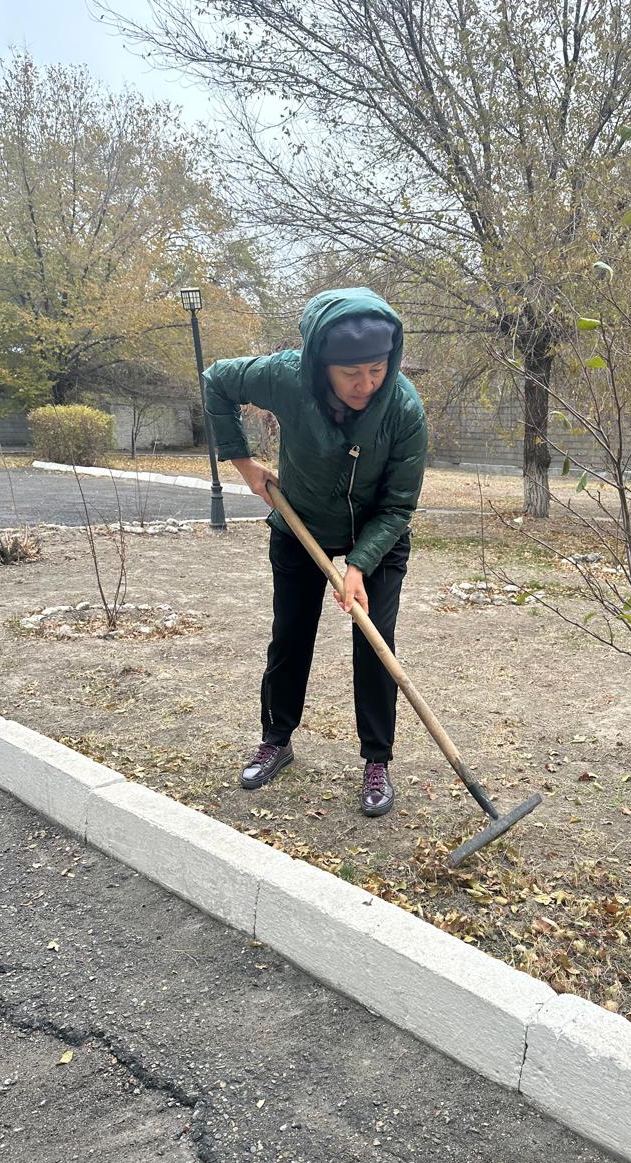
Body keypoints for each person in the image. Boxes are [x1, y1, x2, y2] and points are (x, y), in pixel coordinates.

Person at [203, 287, 428, 816]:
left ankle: (377, 760)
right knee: (291, 635)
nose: (365, 384)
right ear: (322, 365)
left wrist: (359, 565)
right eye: (351, 373)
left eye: (376, 370)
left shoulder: (403, 408)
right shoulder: (285, 376)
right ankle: (276, 740)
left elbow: (399, 505)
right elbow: (216, 381)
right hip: (300, 527)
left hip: (377, 537)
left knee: (376, 646)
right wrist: (243, 464)